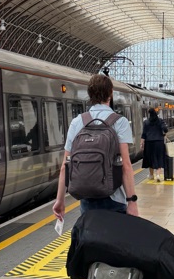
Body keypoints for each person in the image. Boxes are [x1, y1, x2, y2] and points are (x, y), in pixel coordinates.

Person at [53, 73, 137, 220]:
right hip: (114, 199)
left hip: (87, 200)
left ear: (90, 94)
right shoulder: (120, 122)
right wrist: (132, 202)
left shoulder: (77, 122)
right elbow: (126, 166)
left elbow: (65, 166)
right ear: (110, 94)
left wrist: (60, 200)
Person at [141, 106, 167, 183]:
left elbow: (144, 134)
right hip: (159, 142)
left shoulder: (146, 122)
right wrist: (163, 133)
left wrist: (141, 143)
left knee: (150, 159)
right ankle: (158, 175)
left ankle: (151, 175)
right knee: (159, 158)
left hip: (149, 143)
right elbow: (165, 129)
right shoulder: (160, 121)